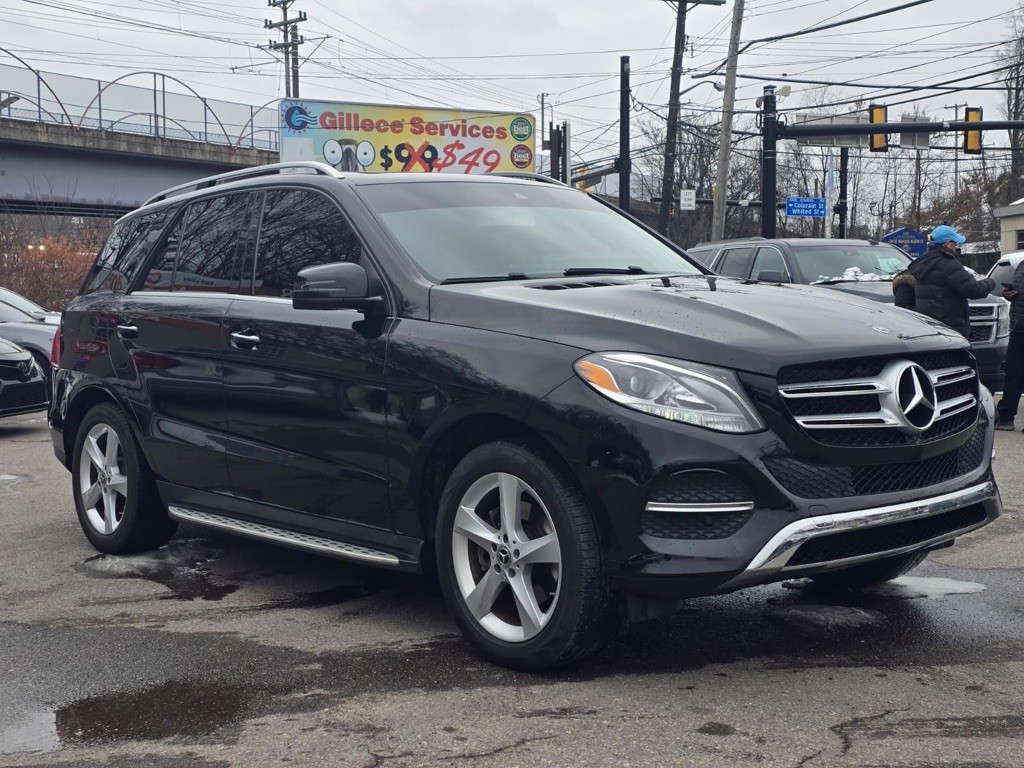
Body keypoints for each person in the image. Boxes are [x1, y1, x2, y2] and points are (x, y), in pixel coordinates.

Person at [901, 225, 996, 338]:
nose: (956, 246)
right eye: (955, 243)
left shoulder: (924, 262)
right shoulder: (948, 264)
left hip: (929, 326)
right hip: (950, 328)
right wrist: (991, 281)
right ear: (948, 244)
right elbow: (975, 290)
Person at [995, 258, 1024, 431]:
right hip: (1019, 327)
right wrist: (1008, 293)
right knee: (1013, 371)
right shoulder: (1022, 264)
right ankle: (1005, 417)